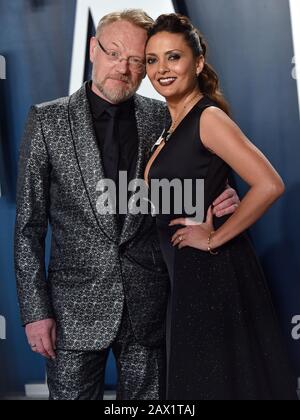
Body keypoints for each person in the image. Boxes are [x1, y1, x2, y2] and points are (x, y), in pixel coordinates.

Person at [14, 10, 240, 400]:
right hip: (73, 312)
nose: (124, 67)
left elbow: (194, 174)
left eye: (138, 60)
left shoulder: (163, 117)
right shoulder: (47, 121)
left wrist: (224, 195)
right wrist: (37, 313)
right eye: (114, 53)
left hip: (149, 306)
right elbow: (28, 227)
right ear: (92, 49)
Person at [144, 13, 297, 400]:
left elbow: (269, 184)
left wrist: (215, 238)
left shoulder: (207, 117)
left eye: (173, 57)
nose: (161, 69)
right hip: (182, 274)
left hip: (209, 273)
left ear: (197, 63)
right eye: (152, 59)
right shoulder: (169, 124)